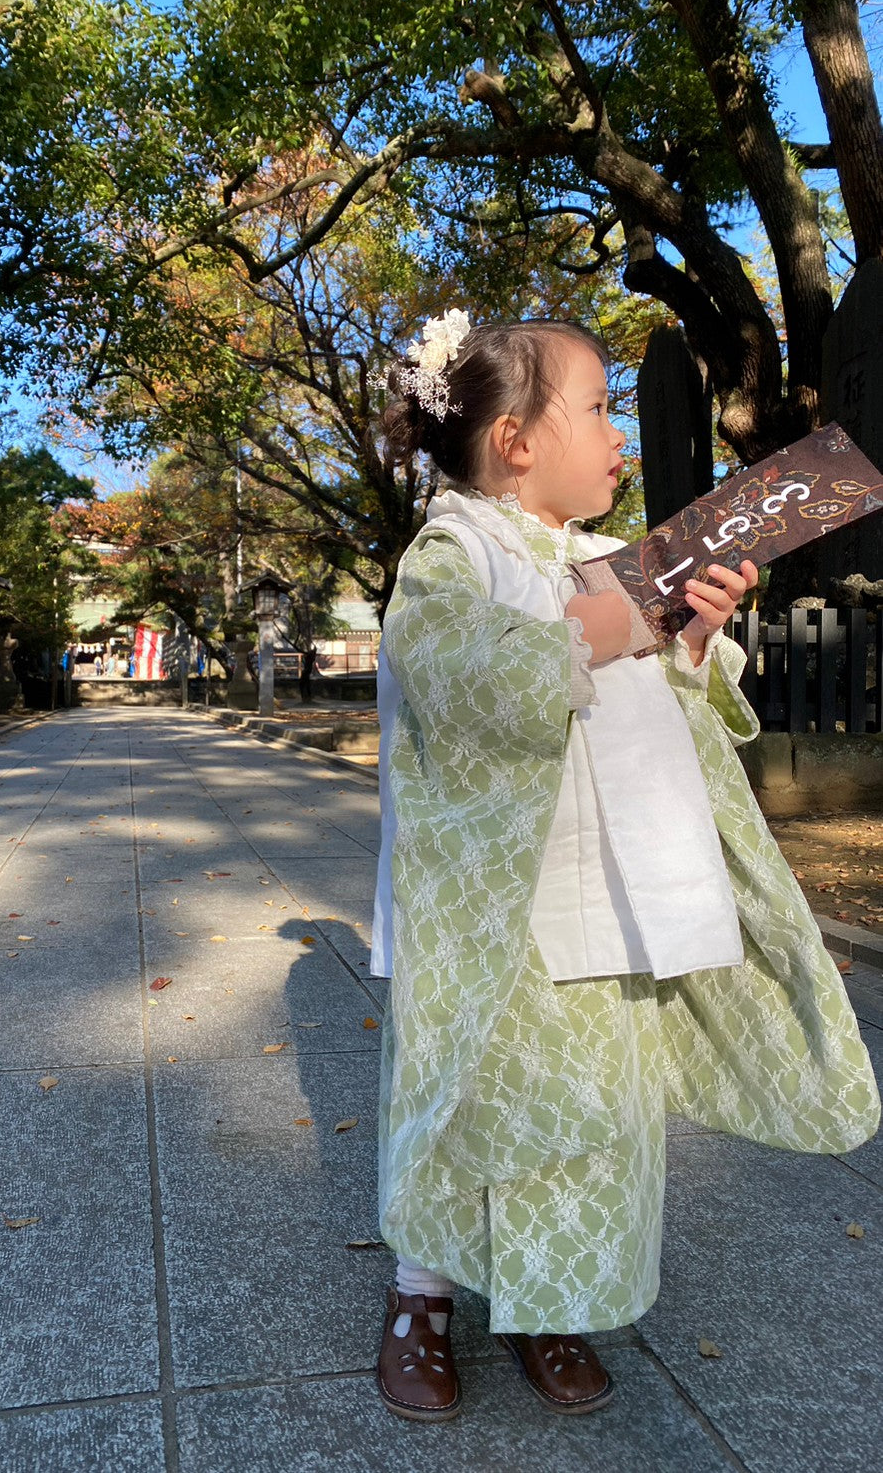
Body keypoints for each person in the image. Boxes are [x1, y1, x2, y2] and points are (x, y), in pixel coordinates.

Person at [370, 314, 879, 1423]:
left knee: (593, 1108)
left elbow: (670, 697)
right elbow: (452, 666)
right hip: (499, 898)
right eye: (599, 409)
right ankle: (423, 1296)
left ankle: (556, 1300)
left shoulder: (598, 559)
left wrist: (687, 640)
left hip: (608, 892)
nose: (619, 437)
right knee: (463, 1093)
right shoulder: (452, 550)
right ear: (512, 441)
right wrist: (607, 626)